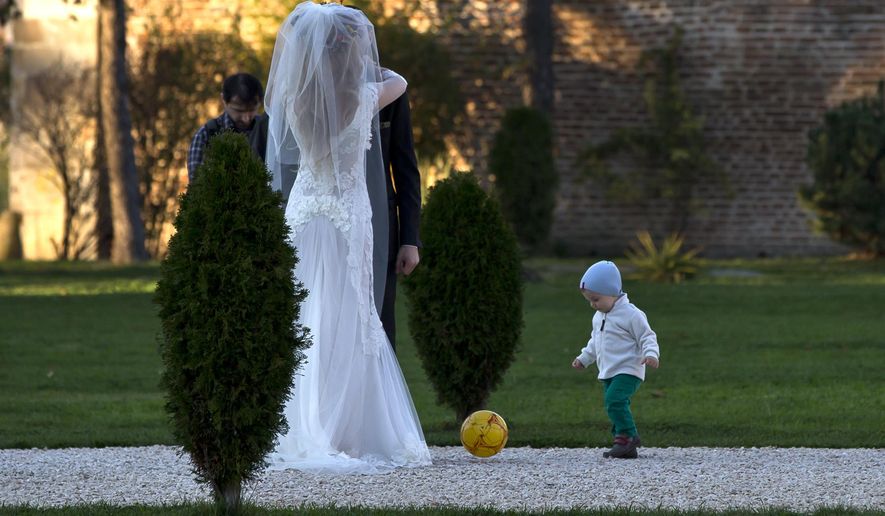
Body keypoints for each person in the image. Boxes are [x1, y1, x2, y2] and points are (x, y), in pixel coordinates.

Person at [263, 1, 431, 474]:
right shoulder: (365, 94)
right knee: (350, 318)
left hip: (305, 216)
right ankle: (345, 430)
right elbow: (399, 80)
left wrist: (329, 56)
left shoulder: (293, 98)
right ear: (349, 53)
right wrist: (360, 59)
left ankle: (304, 424)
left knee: (309, 313)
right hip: (348, 217)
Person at [571, 260, 660, 459]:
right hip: (608, 370)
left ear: (612, 292)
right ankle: (623, 443)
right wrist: (584, 358)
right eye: (590, 301)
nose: (593, 304)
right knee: (613, 403)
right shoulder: (599, 316)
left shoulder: (631, 314)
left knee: (615, 400)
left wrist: (651, 354)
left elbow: (647, 336)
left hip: (628, 369)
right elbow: (595, 341)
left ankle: (629, 436)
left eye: (596, 299)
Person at [186, 73, 269, 183]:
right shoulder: (207, 134)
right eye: (239, 111)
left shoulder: (267, 130)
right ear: (224, 100)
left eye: (252, 110)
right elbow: (198, 185)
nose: (246, 118)